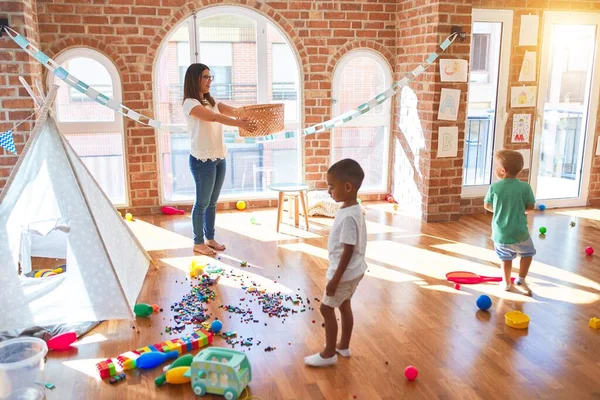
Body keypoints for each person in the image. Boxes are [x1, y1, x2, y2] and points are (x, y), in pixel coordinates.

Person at [182, 63, 254, 256]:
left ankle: (210, 238)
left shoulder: (211, 101)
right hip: (202, 160)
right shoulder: (190, 103)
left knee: (212, 202)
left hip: (219, 155)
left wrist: (251, 114)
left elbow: (234, 111)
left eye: (210, 77)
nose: (209, 81)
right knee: (202, 203)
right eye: (205, 77)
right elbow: (214, 118)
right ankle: (198, 242)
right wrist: (239, 123)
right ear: (195, 79)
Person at [305, 159, 368, 367]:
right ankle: (343, 346)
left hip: (345, 273)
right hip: (354, 271)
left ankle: (329, 353)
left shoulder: (349, 216)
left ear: (347, 187)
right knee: (344, 304)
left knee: (326, 309)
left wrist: (334, 280)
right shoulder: (352, 209)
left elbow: (348, 251)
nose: (328, 190)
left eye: (331, 186)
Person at [484, 149, 536, 295]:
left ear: (502, 170)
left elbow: (487, 206)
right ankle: (520, 279)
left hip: (500, 232)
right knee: (527, 254)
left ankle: (506, 283)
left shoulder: (495, 187)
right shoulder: (525, 187)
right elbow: (530, 208)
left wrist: (501, 210)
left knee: (505, 259)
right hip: (520, 232)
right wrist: (519, 210)